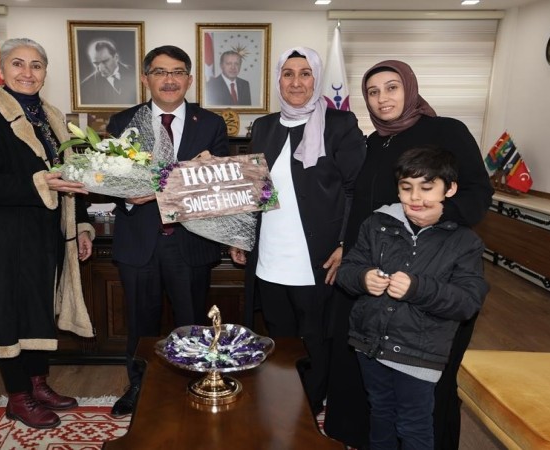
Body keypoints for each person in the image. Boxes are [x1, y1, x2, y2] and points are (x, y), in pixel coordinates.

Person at [324, 59, 494, 449]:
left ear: (410, 88)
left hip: (433, 269)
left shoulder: (446, 130)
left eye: (392, 87)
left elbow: (477, 192)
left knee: (421, 390)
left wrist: (435, 215)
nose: (382, 98)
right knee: (370, 370)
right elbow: (361, 203)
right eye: (373, 91)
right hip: (373, 270)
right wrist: (347, 247)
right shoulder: (372, 141)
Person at [0, 38, 95, 429]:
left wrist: (81, 225)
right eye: (18, 64)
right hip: (6, 236)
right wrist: (40, 182)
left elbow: (71, 178)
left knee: (39, 308)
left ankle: (38, 383)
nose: (27, 72)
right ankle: (18, 396)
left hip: (46, 234)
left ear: (45, 72)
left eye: (36, 65)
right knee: (9, 313)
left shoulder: (51, 117)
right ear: (2, 70)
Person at [229, 47, 366, 414]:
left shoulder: (340, 124)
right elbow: (253, 189)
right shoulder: (264, 126)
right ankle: (282, 396)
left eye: (305, 73)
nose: (296, 82)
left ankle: (311, 404)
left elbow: (355, 190)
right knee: (279, 333)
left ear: (316, 79)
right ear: (278, 80)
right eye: (288, 73)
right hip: (270, 252)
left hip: (318, 254)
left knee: (316, 335)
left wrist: (346, 242)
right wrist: (241, 235)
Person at [106, 45, 229, 417]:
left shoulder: (211, 124)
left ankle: (192, 385)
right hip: (139, 241)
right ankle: (138, 387)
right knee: (140, 326)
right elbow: (109, 179)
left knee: (192, 325)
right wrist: (128, 197)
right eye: (160, 72)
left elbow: (220, 188)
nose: (169, 79)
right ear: (146, 78)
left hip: (190, 242)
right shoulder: (122, 122)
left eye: (177, 72)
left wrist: (197, 179)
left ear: (189, 80)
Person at [341, 146, 489, 450]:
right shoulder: (377, 224)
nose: (415, 197)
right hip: (370, 344)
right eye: (406, 188)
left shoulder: (465, 241)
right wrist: (362, 278)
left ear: (450, 189)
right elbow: (348, 270)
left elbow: (467, 301)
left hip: (420, 353)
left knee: (414, 425)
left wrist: (417, 289)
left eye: (427, 187)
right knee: (380, 413)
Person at [80, 39, 137, 105]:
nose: (101, 68)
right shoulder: (85, 87)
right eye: (96, 63)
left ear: (116, 57)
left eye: (105, 61)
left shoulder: (136, 73)